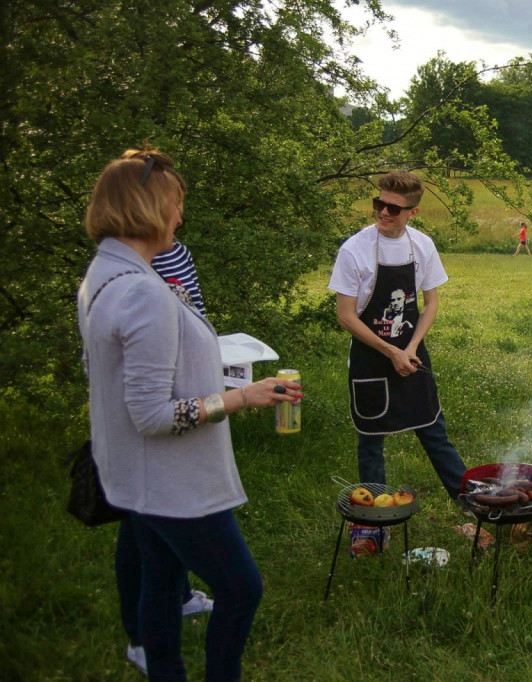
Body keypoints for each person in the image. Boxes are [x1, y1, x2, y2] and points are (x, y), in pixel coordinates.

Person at [78, 148, 302, 681]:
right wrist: (241, 397)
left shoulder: (105, 273)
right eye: (176, 203)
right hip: (171, 480)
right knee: (241, 588)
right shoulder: (141, 292)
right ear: (151, 207)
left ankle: (165, 672)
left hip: (135, 476)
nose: (180, 215)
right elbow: (153, 414)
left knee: (159, 578)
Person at [328, 171, 467, 507]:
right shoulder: (354, 250)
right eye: (380, 204)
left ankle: (475, 506)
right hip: (370, 357)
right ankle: (374, 525)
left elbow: (431, 301)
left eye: (393, 208)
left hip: (411, 349)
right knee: (371, 439)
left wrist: (412, 346)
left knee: (434, 430)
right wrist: (392, 352)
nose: (384, 213)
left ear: (412, 213)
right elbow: (345, 315)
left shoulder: (422, 245)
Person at [115, 239, 211, 675]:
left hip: (186, 403)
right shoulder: (123, 267)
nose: (179, 215)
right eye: (173, 202)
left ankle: (180, 596)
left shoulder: (177, 252)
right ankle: (139, 637)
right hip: (149, 411)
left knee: (172, 509)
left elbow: (195, 314)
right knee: (141, 522)